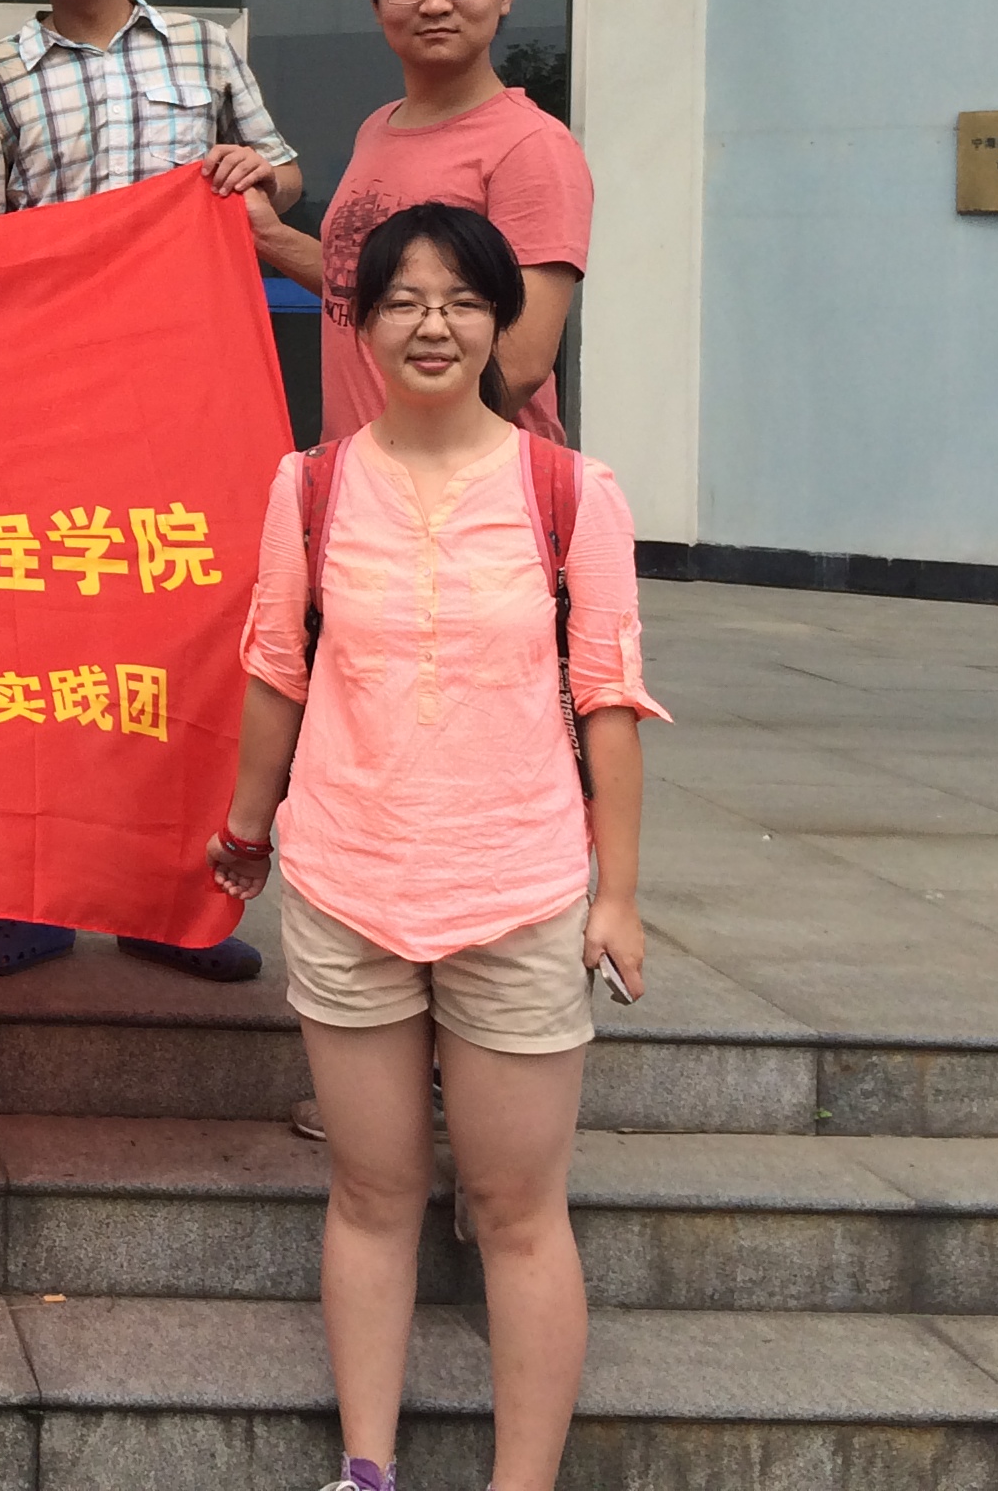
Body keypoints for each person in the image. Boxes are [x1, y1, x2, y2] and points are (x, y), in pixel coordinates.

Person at [206, 202, 662, 1491]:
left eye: (461, 300)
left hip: (517, 882)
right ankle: (367, 1469)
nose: (433, 324)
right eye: (404, 299)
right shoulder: (308, 486)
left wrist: (618, 895)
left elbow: (608, 700)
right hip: (347, 876)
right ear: (360, 322)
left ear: (498, 321)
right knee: (372, 1192)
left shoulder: (570, 493)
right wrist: (246, 828)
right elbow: (278, 670)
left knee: (516, 1209)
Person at [0, 0, 300, 988]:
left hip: (189, 391)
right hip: (54, 396)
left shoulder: (201, 47)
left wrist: (255, 175)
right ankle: (35, 898)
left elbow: (283, 170)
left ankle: (168, 901)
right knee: (42, 644)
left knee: (182, 644)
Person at [246, 0, 591, 445]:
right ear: (376, 0)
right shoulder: (377, 129)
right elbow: (359, 286)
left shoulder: (532, 146)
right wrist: (266, 234)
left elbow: (521, 364)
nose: (434, 3)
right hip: (359, 473)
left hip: (464, 484)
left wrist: (396, 463)